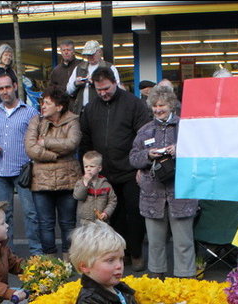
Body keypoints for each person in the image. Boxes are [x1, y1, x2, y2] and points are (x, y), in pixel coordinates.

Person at [80, 67, 152, 270]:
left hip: (131, 170)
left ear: (115, 82)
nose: (103, 93)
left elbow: (145, 136)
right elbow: (85, 140)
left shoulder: (133, 104)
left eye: (106, 88)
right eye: (98, 90)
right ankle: (121, 253)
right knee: (113, 214)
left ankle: (136, 252)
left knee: (135, 213)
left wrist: (143, 165)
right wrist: (87, 170)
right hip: (104, 173)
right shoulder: (90, 108)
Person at [129, 86, 197, 279]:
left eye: (162, 105)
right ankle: (157, 282)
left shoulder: (186, 128)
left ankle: (186, 281)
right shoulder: (144, 131)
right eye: (155, 106)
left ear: (171, 105)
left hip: (181, 193)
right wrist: (148, 155)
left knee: (183, 243)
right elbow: (133, 158)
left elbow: (199, 154)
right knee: (155, 243)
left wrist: (180, 150)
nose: (158, 109)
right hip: (152, 195)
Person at [0, 75, 41, 254]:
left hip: (23, 171)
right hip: (1, 171)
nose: (5, 91)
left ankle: (36, 253)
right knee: (3, 216)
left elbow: (38, 139)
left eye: (8, 87)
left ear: (15, 86)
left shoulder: (30, 112)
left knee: (30, 213)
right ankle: (7, 254)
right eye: (1, 88)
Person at [25, 87, 81, 256]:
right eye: (42, 102)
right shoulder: (36, 121)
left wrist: (45, 142)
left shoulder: (73, 121)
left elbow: (72, 144)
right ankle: (50, 263)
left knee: (68, 223)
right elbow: (30, 148)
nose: (42, 106)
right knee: (45, 224)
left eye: (47, 103)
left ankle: (68, 260)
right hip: (41, 182)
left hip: (68, 180)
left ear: (59, 107)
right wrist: (55, 156)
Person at [70, 220, 143, 304]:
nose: (119, 265)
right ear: (85, 266)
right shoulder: (88, 303)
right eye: (110, 260)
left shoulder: (119, 288)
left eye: (121, 258)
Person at [66, 40, 121, 113]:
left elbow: (117, 89)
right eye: (88, 55)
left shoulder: (110, 68)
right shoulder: (79, 68)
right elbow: (68, 90)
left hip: (102, 111)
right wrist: (75, 84)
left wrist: (97, 84)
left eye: (92, 54)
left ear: (99, 52)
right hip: (81, 112)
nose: (90, 57)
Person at [73, 150, 116, 223]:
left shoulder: (106, 185)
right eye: (86, 167)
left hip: (102, 221)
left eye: (92, 166)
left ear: (99, 168)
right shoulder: (80, 182)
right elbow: (78, 197)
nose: (88, 169)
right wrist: (85, 183)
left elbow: (112, 201)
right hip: (85, 221)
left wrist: (106, 213)